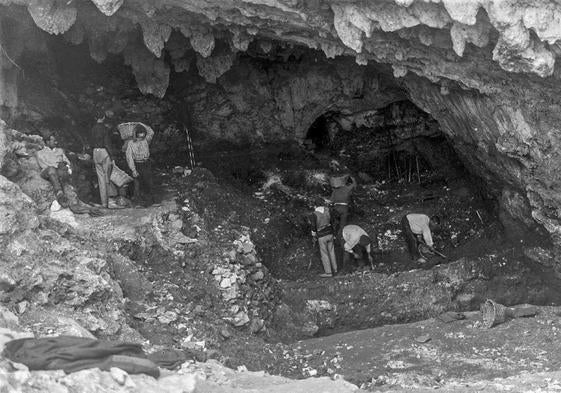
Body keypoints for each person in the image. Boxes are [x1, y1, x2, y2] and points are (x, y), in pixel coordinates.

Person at [36, 135, 72, 206]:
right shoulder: (40, 153)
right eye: (53, 140)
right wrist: (57, 165)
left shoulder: (60, 150)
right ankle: (59, 192)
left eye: (56, 140)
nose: (56, 142)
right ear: (47, 142)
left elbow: (67, 162)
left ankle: (65, 198)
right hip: (47, 171)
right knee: (51, 169)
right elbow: (43, 165)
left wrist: (66, 166)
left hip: (60, 170)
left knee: (62, 171)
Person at [91, 111, 117, 208]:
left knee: (100, 179)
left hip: (95, 152)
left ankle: (104, 203)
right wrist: (112, 156)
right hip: (103, 151)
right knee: (108, 177)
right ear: (103, 117)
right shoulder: (104, 129)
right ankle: (110, 201)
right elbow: (107, 143)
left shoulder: (93, 129)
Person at [125, 123, 155, 206]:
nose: (142, 135)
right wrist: (133, 170)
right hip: (137, 165)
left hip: (146, 164)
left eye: (143, 133)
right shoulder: (131, 143)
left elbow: (151, 132)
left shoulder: (146, 140)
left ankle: (149, 202)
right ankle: (138, 203)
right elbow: (129, 157)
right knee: (137, 184)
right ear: (136, 133)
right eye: (140, 133)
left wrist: (140, 124)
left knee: (148, 183)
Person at [310, 205, 337, 278]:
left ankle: (328, 272)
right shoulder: (327, 210)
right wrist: (334, 233)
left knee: (324, 254)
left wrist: (313, 234)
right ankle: (335, 270)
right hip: (330, 233)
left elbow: (313, 226)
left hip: (322, 236)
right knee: (332, 252)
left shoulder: (314, 214)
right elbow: (332, 222)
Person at [328, 173, 357, 238]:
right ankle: (340, 236)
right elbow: (353, 185)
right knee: (342, 224)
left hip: (336, 208)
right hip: (344, 209)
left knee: (334, 222)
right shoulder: (347, 189)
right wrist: (353, 179)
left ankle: (332, 234)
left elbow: (331, 201)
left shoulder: (335, 191)